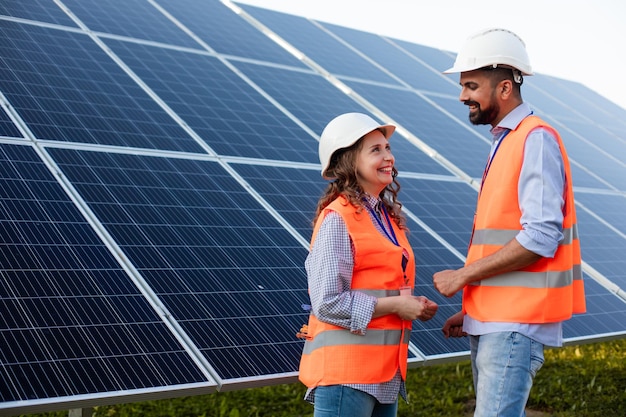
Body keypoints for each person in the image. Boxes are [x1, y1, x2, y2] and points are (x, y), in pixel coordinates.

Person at [433, 28, 586, 416]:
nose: (462, 95)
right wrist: (473, 307)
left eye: (470, 85)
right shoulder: (507, 140)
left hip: (516, 324)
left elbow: (539, 237)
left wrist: (462, 277)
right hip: (496, 319)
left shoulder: (534, 139)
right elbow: (501, 238)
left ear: (504, 88)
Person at [298, 112, 439, 417]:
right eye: (376, 150)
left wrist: (410, 303)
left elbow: (384, 285)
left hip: (384, 374)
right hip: (346, 376)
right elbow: (327, 302)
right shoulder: (338, 218)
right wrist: (397, 307)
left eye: (387, 148)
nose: (388, 156)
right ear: (350, 161)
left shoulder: (386, 217)